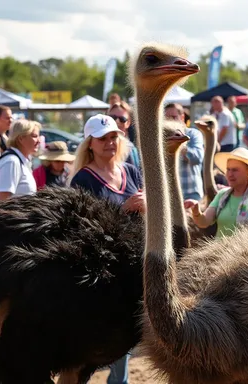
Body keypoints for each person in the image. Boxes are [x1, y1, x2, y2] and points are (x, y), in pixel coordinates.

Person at [69, 114, 145, 384]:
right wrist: (124, 210)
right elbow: (82, 228)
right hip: (99, 267)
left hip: (131, 264)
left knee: (124, 333)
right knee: (93, 336)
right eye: (103, 138)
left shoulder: (131, 171)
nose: (109, 142)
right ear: (90, 144)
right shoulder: (83, 179)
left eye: (113, 136)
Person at [184, 147, 248, 238]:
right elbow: (204, 222)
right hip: (219, 250)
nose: (230, 174)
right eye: (228, 169)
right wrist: (196, 210)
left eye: (235, 170)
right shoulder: (222, 195)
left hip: (246, 251)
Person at [165, 104, 205, 201]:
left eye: (174, 117)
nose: (170, 121)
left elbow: (197, 158)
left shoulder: (192, 134)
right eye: (167, 118)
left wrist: (179, 144)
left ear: (182, 117)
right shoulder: (162, 137)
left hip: (191, 193)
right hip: (169, 194)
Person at [0, 119, 41, 200]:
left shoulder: (21, 161)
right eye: (34, 136)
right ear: (21, 138)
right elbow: (1, 201)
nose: (39, 141)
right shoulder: (11, 162)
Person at [107, 102, 141, 173]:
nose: (117, 121)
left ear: (128, 123)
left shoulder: (132, 148)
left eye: (122, 119)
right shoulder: (100, 146)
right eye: (113, 118)